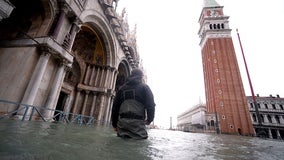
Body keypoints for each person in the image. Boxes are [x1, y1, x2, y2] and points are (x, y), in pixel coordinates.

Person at [111, 68, 155, 139]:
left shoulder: (121, 89)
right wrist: (149, 120)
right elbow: (151, 106)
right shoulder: (145, 88)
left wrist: (114, 124)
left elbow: (115, 108)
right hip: (138, 126)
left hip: (122, 125)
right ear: (141, 76)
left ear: (131, 75)